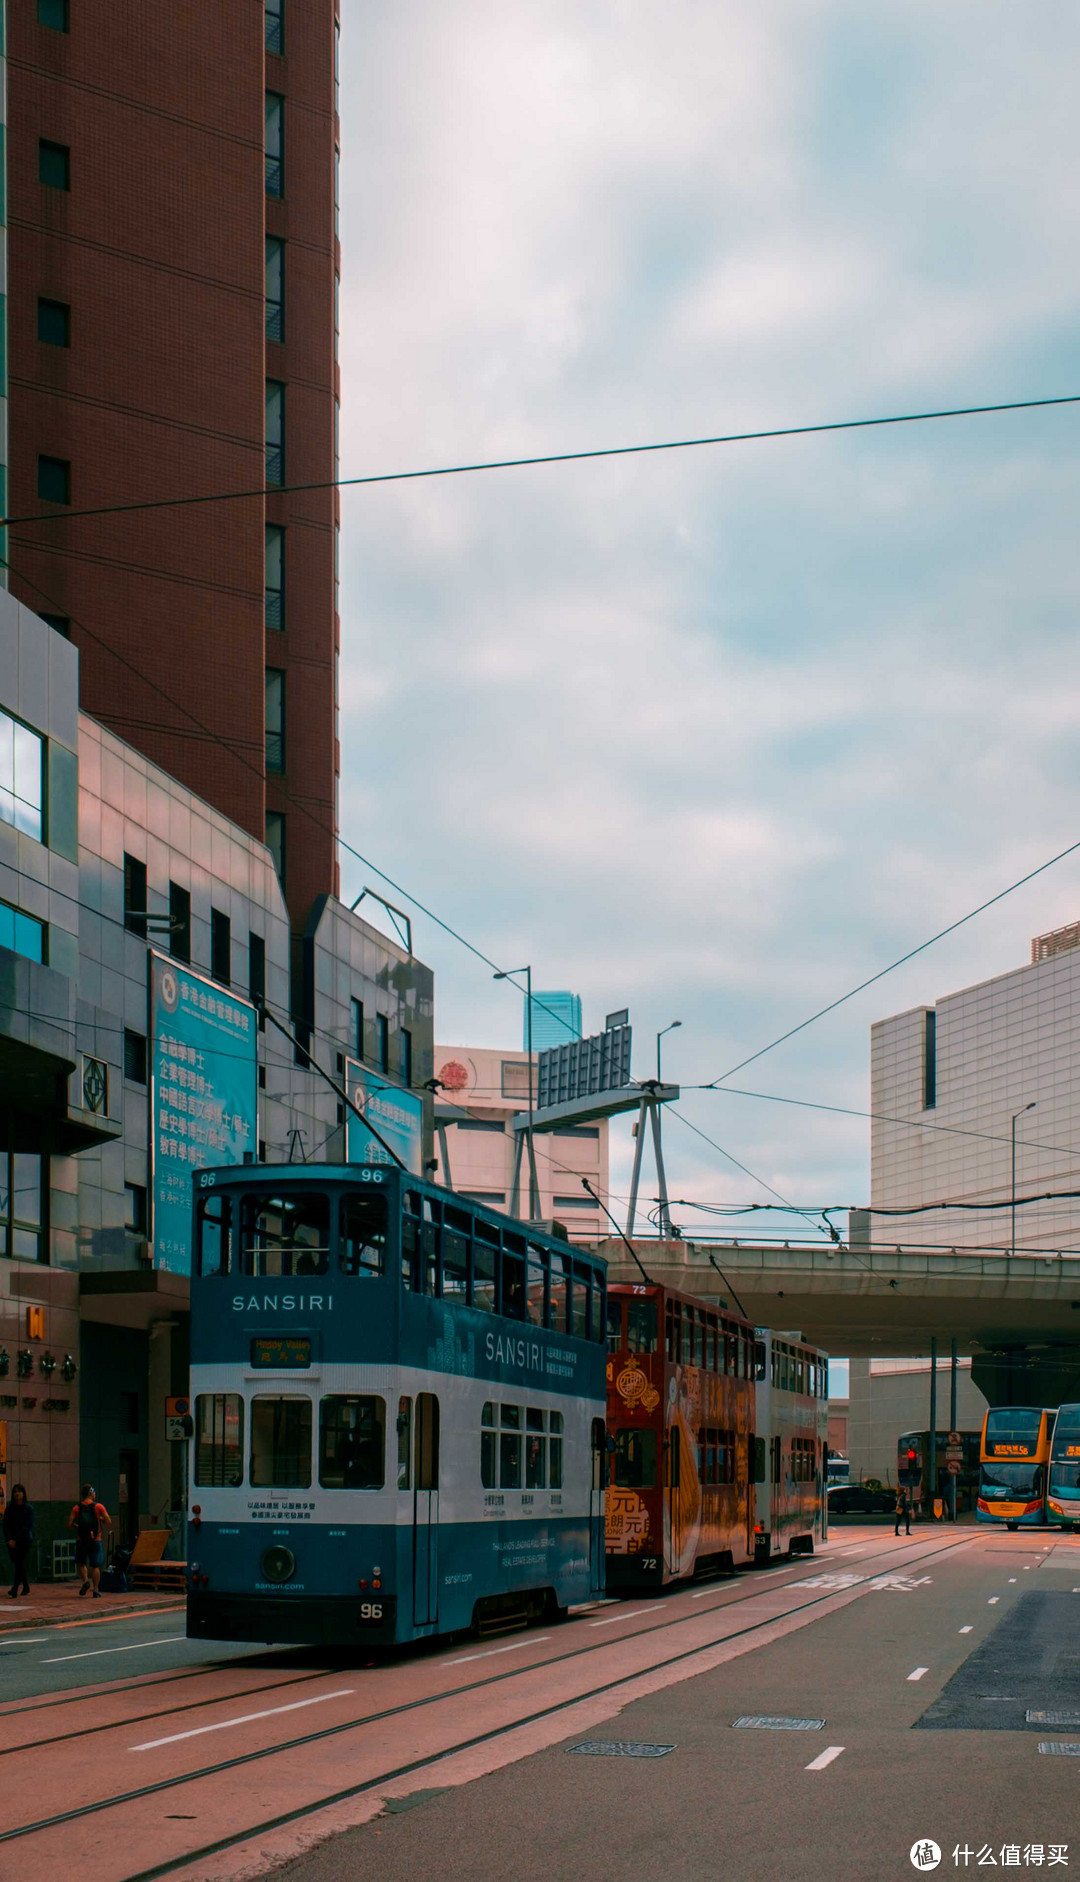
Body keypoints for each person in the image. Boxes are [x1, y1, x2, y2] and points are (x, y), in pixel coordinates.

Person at [67, 1484, 112, 1598]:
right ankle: (96, 1590)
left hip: (81, 1539)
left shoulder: (77, 1508)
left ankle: (86, 1580)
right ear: (91, 1493)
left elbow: (69, 1523)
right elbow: (108, 1521)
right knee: (96, 1566)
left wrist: (77, 1526)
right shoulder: (99, 1507)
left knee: (81, 1563)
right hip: (96, 1539)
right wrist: (100, 1518)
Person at [3, 1484, 34, 1597]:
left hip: (24, 1540)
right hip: (11, 1540)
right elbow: (6, 1525)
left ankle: (15, 1588)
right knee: (18, 1563)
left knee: (20, 1562)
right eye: (15, 1492)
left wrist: (16, 1540)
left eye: (19, 1491)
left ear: (23, 1493)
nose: (17, 1494)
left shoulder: (28, 1508)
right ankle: (25, 1586)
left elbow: (27, 1526)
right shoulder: (10, 1508)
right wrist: (10, 1539)